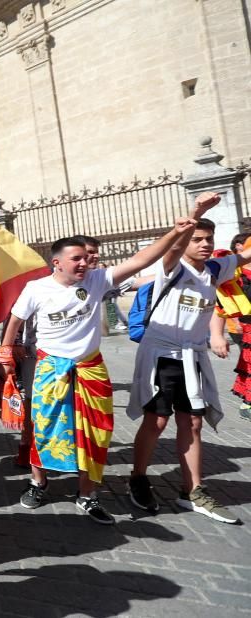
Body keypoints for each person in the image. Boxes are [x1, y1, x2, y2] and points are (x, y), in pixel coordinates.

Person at [0, 207, 213, 525]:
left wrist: (174, 232)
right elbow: (16, 318)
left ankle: (88, 495)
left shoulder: (98, 280)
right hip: (50, 369)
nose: (85, 263)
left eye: (87, 258)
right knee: (43, 429)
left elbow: (140, 261)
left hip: (90, 369)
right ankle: (38, 483)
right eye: (77, 259)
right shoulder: (36, 289)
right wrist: (6, 346)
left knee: (97, 433)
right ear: (56, 262)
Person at [130, 208, 242, 524]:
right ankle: (138, 478)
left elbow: (245, 256)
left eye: (209, 239)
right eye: (198, 239)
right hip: (162, 355)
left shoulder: (216, 268)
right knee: (157, 422)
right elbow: (175, 247)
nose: (205, 244)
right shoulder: (172, 267)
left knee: (193, 423)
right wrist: (196, 213)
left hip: (193, 357)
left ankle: (192, 491)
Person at [216, 232, 251, 422]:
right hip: (245, 326)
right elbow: (221, 301)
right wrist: (218, 334)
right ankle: (248, 403)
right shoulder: (236, 273)